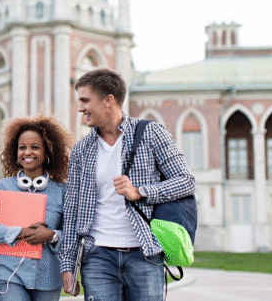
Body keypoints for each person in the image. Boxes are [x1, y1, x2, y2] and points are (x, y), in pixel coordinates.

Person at [59, 68, 195, 300]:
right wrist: (68, 265)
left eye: (85, 100)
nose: (80, 108)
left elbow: (186, 182)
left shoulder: (151, 133)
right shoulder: (82, 149)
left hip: (144, 253)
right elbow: (71, 210)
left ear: (108, 101)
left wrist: (140, 192)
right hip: (97, 256)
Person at [0, 115, 72, 301]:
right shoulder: (3, 187)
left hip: (48, 277)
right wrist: (20, 232)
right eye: (22, 147)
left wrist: (52, 235)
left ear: (47, 153)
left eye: (35, 147)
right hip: (9, 275)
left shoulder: (62, 191)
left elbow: (72, 234)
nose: (27, 152)